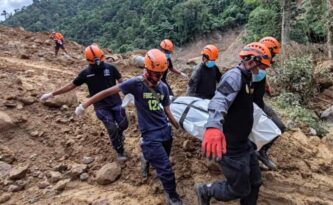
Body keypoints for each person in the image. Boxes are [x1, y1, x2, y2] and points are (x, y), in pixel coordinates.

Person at [74, 49, 183, 205]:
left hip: (165, 131)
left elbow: (167, 110)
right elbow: (107, 92)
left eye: (160, 74)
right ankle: (172, 197)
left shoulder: (163, 88)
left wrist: (177, 126)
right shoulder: (135, 83)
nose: (157, 78)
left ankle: (146, 157)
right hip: (150, 134)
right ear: (146, 69)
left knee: (164, 156)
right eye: (154, 73)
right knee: (166, 169)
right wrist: (84, 105)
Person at [194, 42, 272, 205]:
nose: (261, 72)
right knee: (240, 189)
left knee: (255, 182)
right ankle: (206, 190)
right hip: (231, 146)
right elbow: (219, 100)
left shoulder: (249, 78)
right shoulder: (234, 77)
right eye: (260, 67)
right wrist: (213, 126)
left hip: (244, 143)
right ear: (251, 61)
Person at [40, 45, 129, 161]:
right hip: (101, 106)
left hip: (116, 102)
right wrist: (52, 94)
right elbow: (71, 85)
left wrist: (128, 94)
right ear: (89, 61)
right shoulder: (85, 73)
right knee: (111, 127)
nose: (98, 64)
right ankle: (119, 150)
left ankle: (119, 134)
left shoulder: (111, 68)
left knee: (124, 124)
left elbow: (122, 82)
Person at [254, 37, 286, 170]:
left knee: (280, 127)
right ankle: (253, 156)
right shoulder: (253, 65)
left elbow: (262, 74)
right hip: (252, 107)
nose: (273, 57)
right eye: (273, 54)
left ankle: (261, 152)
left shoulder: (262, 65)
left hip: (259, 103)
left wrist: (266, 85)